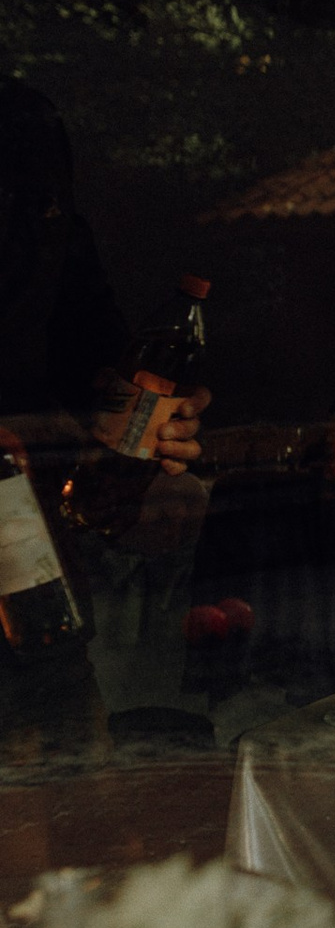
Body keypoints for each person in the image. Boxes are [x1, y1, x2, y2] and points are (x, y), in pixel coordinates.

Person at [0, 78, 210, 754]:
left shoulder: (29, 140)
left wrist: (159, 430)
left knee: (68, 775)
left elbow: (106, 374)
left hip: (38, 595)